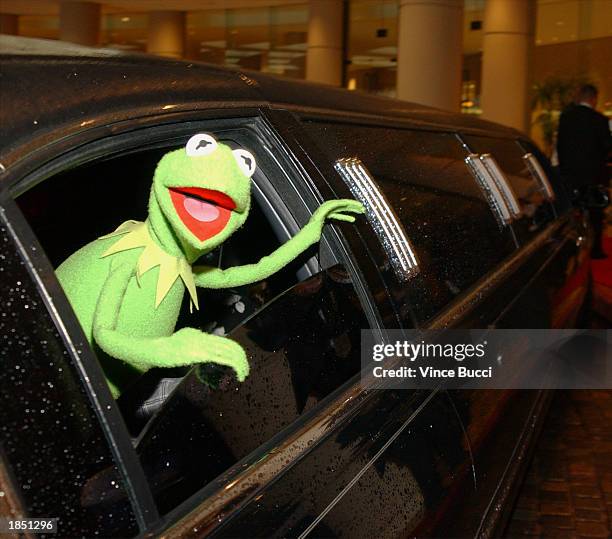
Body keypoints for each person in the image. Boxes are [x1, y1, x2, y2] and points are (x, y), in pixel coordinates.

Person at [557, 84, 612, 259]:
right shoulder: (600, 120)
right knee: (596, 213)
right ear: (594, 99)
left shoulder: (566, 117)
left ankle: (569, 248)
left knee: (571, 213)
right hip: (594, 177)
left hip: (570, 175)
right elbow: (607, 147)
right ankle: (596, 249)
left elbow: (560, 146)